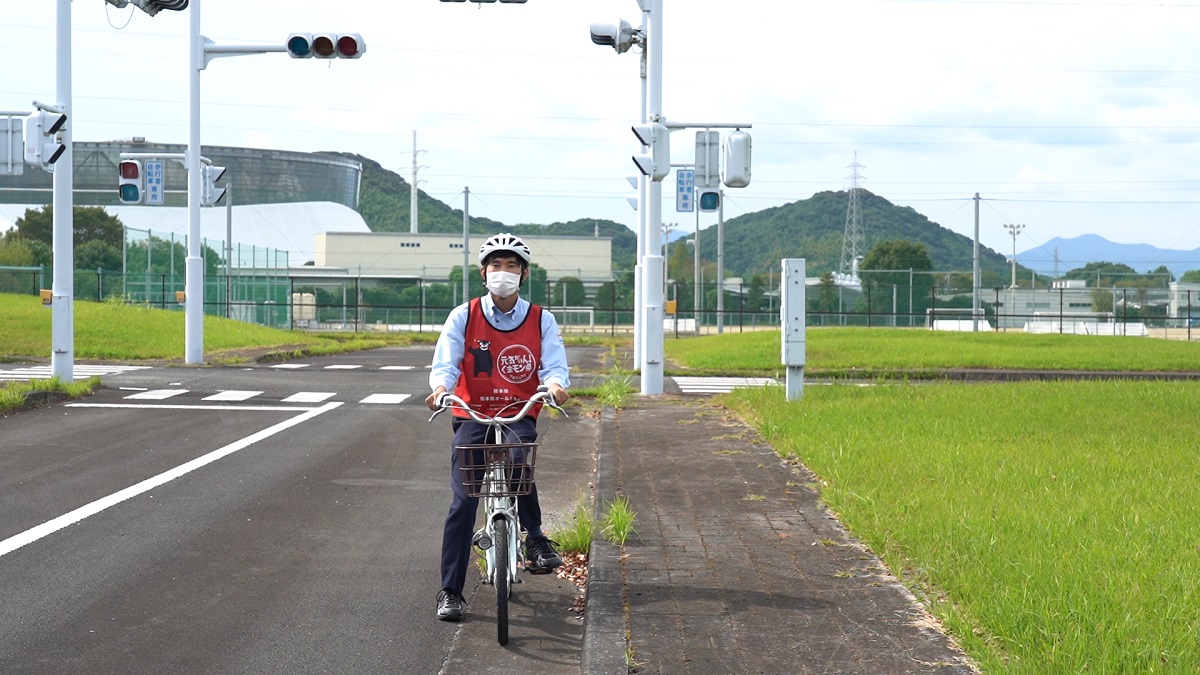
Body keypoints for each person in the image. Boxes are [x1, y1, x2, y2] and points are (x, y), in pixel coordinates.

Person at [425, 232, 571, 622]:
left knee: (521, 459)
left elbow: (555, 365)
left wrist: (556, 386)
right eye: (495, 265)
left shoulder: (541, 318)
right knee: (464, 498)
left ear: (523, 274)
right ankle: (450, 591)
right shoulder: (464, 315)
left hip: (518, 409)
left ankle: (535, 538)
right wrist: (440, 388)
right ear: (483, 272)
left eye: (511, 266)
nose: (502, 273)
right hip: (470, 411)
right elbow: (446, 363)